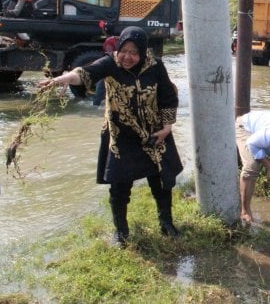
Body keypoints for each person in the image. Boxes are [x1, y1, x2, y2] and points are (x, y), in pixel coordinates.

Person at [38, 26, 183, 247]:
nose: (128, 57)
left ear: (143, 52)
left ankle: (166, 222)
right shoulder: (110, 64)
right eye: (124, 50)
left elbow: (167, 96)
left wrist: (167, 127)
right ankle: (121, 232)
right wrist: (64, 79)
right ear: (118, 48)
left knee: (161, 181)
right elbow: (86, 72)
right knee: (119, 186)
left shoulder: (155, 66)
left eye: (134, 52)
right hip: (121, 134)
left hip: (154, 133)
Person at [92, 36, 117, 106]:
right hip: (105, 71)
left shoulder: (116, 41)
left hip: (111, 70)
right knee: (100, 90)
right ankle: (95, 107)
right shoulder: (111, 41)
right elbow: (109, 54)